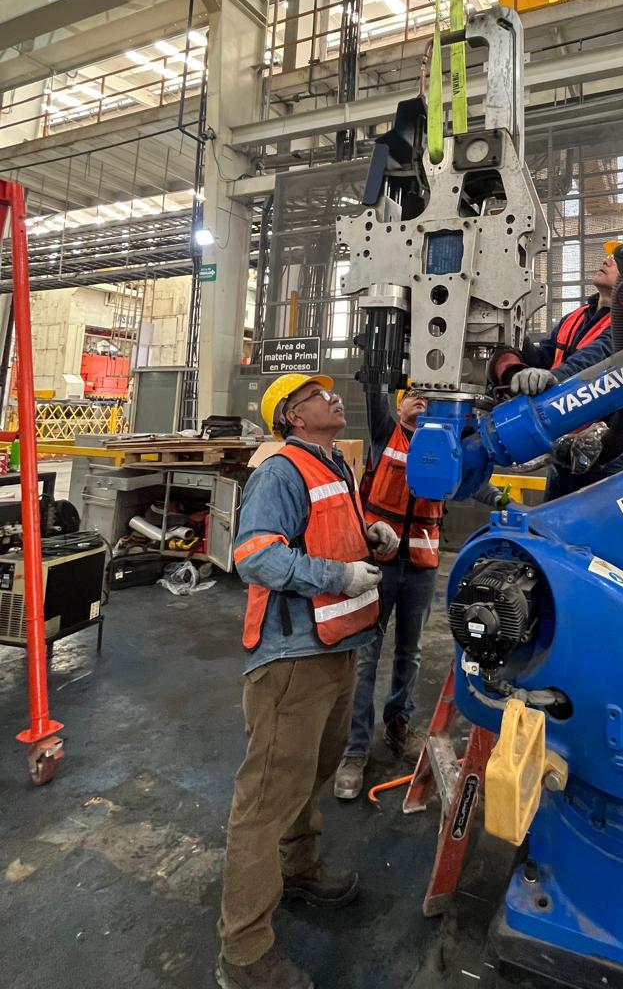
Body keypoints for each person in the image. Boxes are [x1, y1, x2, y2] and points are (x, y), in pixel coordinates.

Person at [217, 371, 399, 989]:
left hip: (336, 647)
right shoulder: (280, 470)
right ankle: (244, 952)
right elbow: (255, 556)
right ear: (293, 417)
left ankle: (296, 867)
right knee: (265, 801)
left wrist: (369, 539)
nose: (333, 397)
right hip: (293, 659)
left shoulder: (333, 465)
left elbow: (323, 537)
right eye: (317, 396)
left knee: (312, 773)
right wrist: (336, 576)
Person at [334, 385, 443, 800]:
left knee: (409, 653)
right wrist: (386, 355)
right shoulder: (385, 435)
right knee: (366, 656)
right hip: (380, 562)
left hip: (421, 566)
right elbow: (375, 383)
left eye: (428, 395)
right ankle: (355, 750)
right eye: (412, 393)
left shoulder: (443, 441)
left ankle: (398, 725)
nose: (420, 399)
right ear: (398, 406)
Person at [493, 242, 623, 499]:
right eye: (609, 256)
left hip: (606, 457)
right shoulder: (575, 317)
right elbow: (543, 360)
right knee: (553, 520)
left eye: (617, 259)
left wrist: (555, 378)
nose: (607, 260)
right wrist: (515, 334)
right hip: (563, 449)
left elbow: (598, 355)